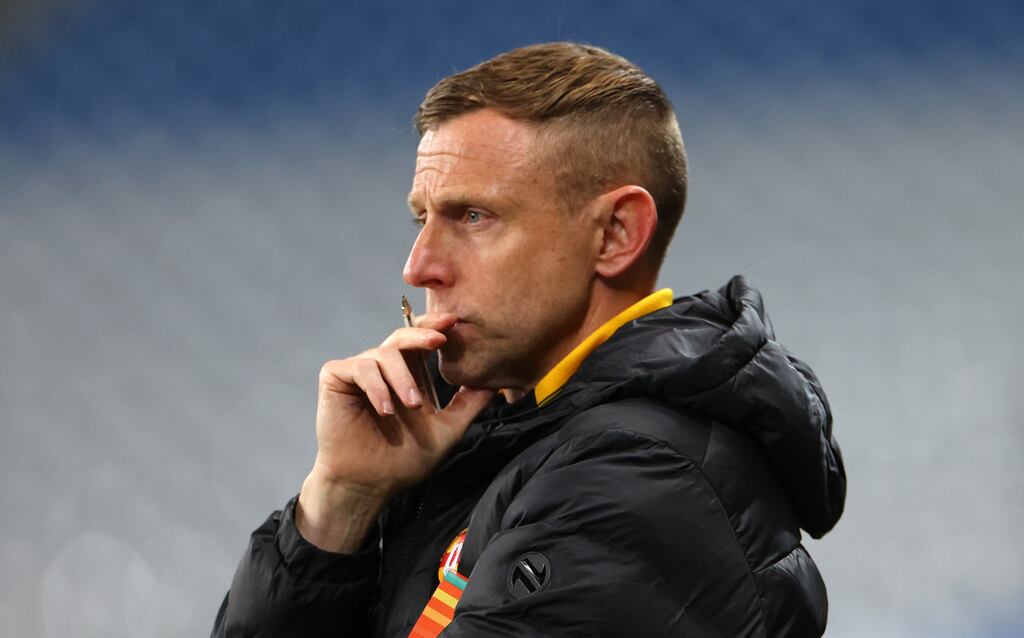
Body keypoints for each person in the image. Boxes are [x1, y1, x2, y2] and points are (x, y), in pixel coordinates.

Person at [212, 42, 845, 637]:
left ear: (617, 234)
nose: (419, 265)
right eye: (422, 219)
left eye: (474, 217)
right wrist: (341, 502)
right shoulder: (517, 433)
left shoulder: (634, 482)